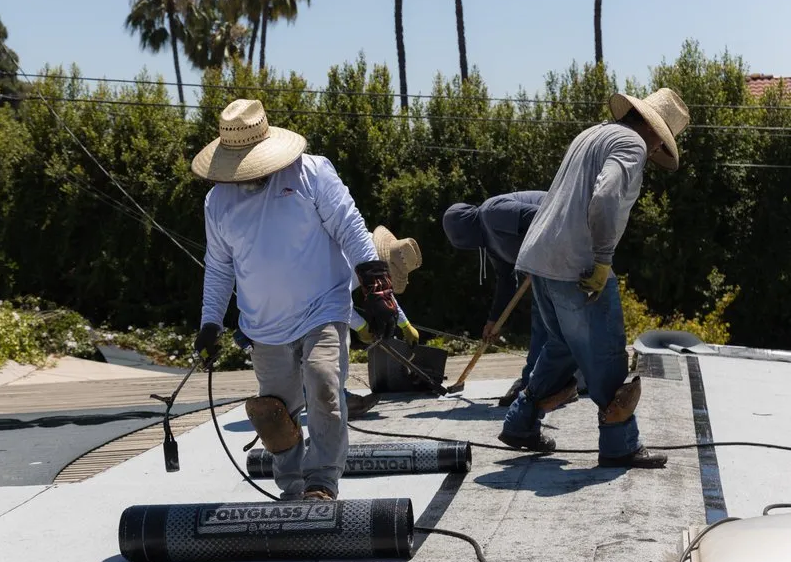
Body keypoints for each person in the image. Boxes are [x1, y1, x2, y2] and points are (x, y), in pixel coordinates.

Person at [192, 99, 400, 501]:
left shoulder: (312, 173)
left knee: (324, 385)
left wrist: (376, 284)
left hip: (322, 307)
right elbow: (219, 267)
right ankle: (291, 489)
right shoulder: (217, 202)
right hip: (262, 325)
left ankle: (321, 482)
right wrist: (210, 323)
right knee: (274, 412)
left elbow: (351, 227)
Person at [499, 88, 689, 469]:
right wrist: (602, 259)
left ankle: (520, 422)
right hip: (577, 265)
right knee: (605, 354)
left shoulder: (593, 133)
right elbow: (604, 198)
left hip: (540, 258)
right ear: (657, 135)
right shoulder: (633, 145)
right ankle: (620, 445)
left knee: (560, 347)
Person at [442, 191, 580, 409]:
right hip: (550, 259)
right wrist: (494, 320)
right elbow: (507, 281)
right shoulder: (491, 243)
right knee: (547, 319)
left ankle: (534, 385)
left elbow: (542, 215)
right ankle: (548, 383)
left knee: (543, 319)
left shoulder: (492, 212)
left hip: (569, 231)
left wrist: (537, 253)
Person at [346, 225, 422, 418]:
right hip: (298, 301)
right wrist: (361, 326)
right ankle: (338, 399)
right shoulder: (350, 259)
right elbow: (332, 300)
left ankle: (324, 397)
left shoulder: (370, 255)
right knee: (333, 343)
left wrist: (405, 325)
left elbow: (383, 294)